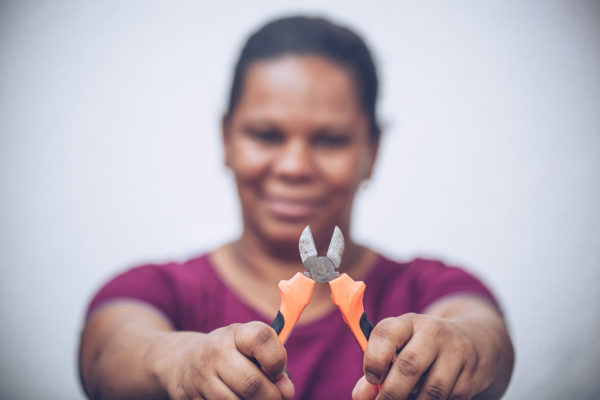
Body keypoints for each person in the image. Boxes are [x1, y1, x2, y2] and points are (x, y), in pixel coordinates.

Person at [79, 16, 514, 400]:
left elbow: (485, 335)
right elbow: (108, 353)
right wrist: (178, 360)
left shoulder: (430, 287)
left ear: (372, 152)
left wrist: (465, 347)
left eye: (330, 140)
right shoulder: (154, 290)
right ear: (226, 139)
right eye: (266, 135)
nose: (294, 167)